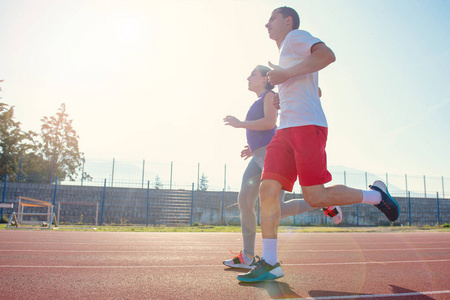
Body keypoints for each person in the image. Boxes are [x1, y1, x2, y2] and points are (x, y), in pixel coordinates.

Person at [237, 7, 400, 282]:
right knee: (267, 189)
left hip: (307, 126)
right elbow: (316, 89)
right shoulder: (286, 53)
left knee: (315, 197)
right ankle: (271, 262)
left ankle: (376, 196)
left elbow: (327, 56)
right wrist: (284, 95)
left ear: (288, 21)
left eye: (272, 19)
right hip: (285, 131)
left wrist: (286, 75)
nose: (267, 24)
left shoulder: (296, 37)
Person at [223, 65, 342, 269]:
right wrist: (253, 148)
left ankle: (323, 202)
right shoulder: (261, 99)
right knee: (244, 201)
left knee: (275, 209)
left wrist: (240, 123)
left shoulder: (269, 95)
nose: (248, 77)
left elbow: (270, 123)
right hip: (259, 154)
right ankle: (248, 257)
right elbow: (274, 127)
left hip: (270, 153)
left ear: (264, 79)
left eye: (252, 74)